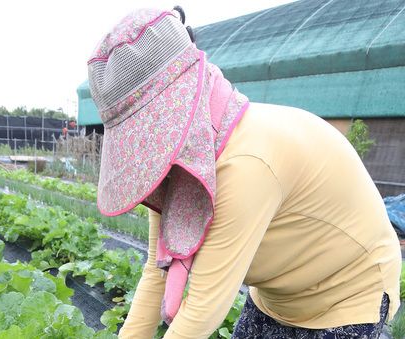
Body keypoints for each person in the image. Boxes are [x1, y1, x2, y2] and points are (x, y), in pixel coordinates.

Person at [87, 7, 401, 339]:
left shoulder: (247, 163)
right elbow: (156, 272)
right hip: (279, 295)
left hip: (347, 295)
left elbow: (201, 311)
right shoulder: (176, 167)